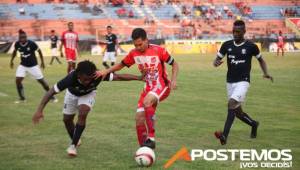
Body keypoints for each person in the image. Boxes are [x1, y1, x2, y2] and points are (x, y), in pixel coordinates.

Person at [32, 60, 143, 157]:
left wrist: (138, 78)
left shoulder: (98, 75)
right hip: (72, 94)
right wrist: (39, 110)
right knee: (67, 120)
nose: (88, 82)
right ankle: (76, 138)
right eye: (85, 79)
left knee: (83, 112)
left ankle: (73, 146)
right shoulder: (70, 78)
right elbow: (51, 92)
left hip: (88, 94)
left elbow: (118, 77)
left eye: (90, 80)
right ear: (78, 74)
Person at [95, 28, 179, 149]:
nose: (138, 47)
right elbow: (121, 65)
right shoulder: (134, 53)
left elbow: (175, 64)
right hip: (148, 88)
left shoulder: (159, 50)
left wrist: (174, 79)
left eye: (140, 44)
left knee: (147, 102)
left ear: (146, 40)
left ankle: (151, 138)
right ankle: (144, 149)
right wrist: (106, 71)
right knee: (139, 119)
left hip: (162, 86)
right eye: (135, 45)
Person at [213, 20, 273, 145]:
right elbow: (216, 60)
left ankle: (224, 136)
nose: (235, 34)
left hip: (243, 82)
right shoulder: (226, 45)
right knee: (238, 112)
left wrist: (266, 73)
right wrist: (216, 63)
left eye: (238, 32)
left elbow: (261, 60)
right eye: (233, 31)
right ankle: (254, 124)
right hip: (230, 82)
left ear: (244, 32)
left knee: (231, 103)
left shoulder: (251, 46)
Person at [10, 29, 57, 103]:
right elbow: (14, 52)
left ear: (26, 37)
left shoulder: (31, 43)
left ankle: (52, 96)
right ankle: (22, 98)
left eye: (24, 37)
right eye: (21, 38)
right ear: (19, 38)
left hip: (33, 66)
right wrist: (11, 61)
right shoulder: (17, 44)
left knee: (42, 82)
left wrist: (42, 62)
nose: (22, 39)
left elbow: (39, 51)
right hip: (23, 65)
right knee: (18, 80)